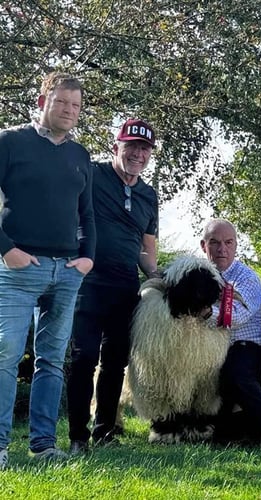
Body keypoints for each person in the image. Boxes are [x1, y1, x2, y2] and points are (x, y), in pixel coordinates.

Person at [0, 72, 95, 468]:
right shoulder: (9, 142)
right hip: (19, 270)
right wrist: (6, 250)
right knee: (4, 355)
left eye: (76, 106)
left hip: (67, 271)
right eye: (62, 103)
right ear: (42, 102)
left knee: (52, 359)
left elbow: (86, 213)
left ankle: (43, 445)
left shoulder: (81, 156)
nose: (70, 111)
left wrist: (88, 258)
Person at [66, 119, 159, 455]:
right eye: (131, 145)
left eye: (145, 148)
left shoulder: (149, 195)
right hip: (86, 283)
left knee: (116, 361)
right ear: (115, 147)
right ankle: (78, 435)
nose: (138, 153)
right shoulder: (91, 174)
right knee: (83, 357)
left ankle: (106, 430)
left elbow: (148, 250)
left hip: (125, 287)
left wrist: (157, 277)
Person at [201, 219, 261, 449]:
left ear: (235, 245)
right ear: (204, 246)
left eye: (228, 242)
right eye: (215, 243)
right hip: (208, 346)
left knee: (235, 376)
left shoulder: (246, 278)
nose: (222, 249)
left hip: (243, 344)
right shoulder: (199, 275)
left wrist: (200, 312)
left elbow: (237, 315)